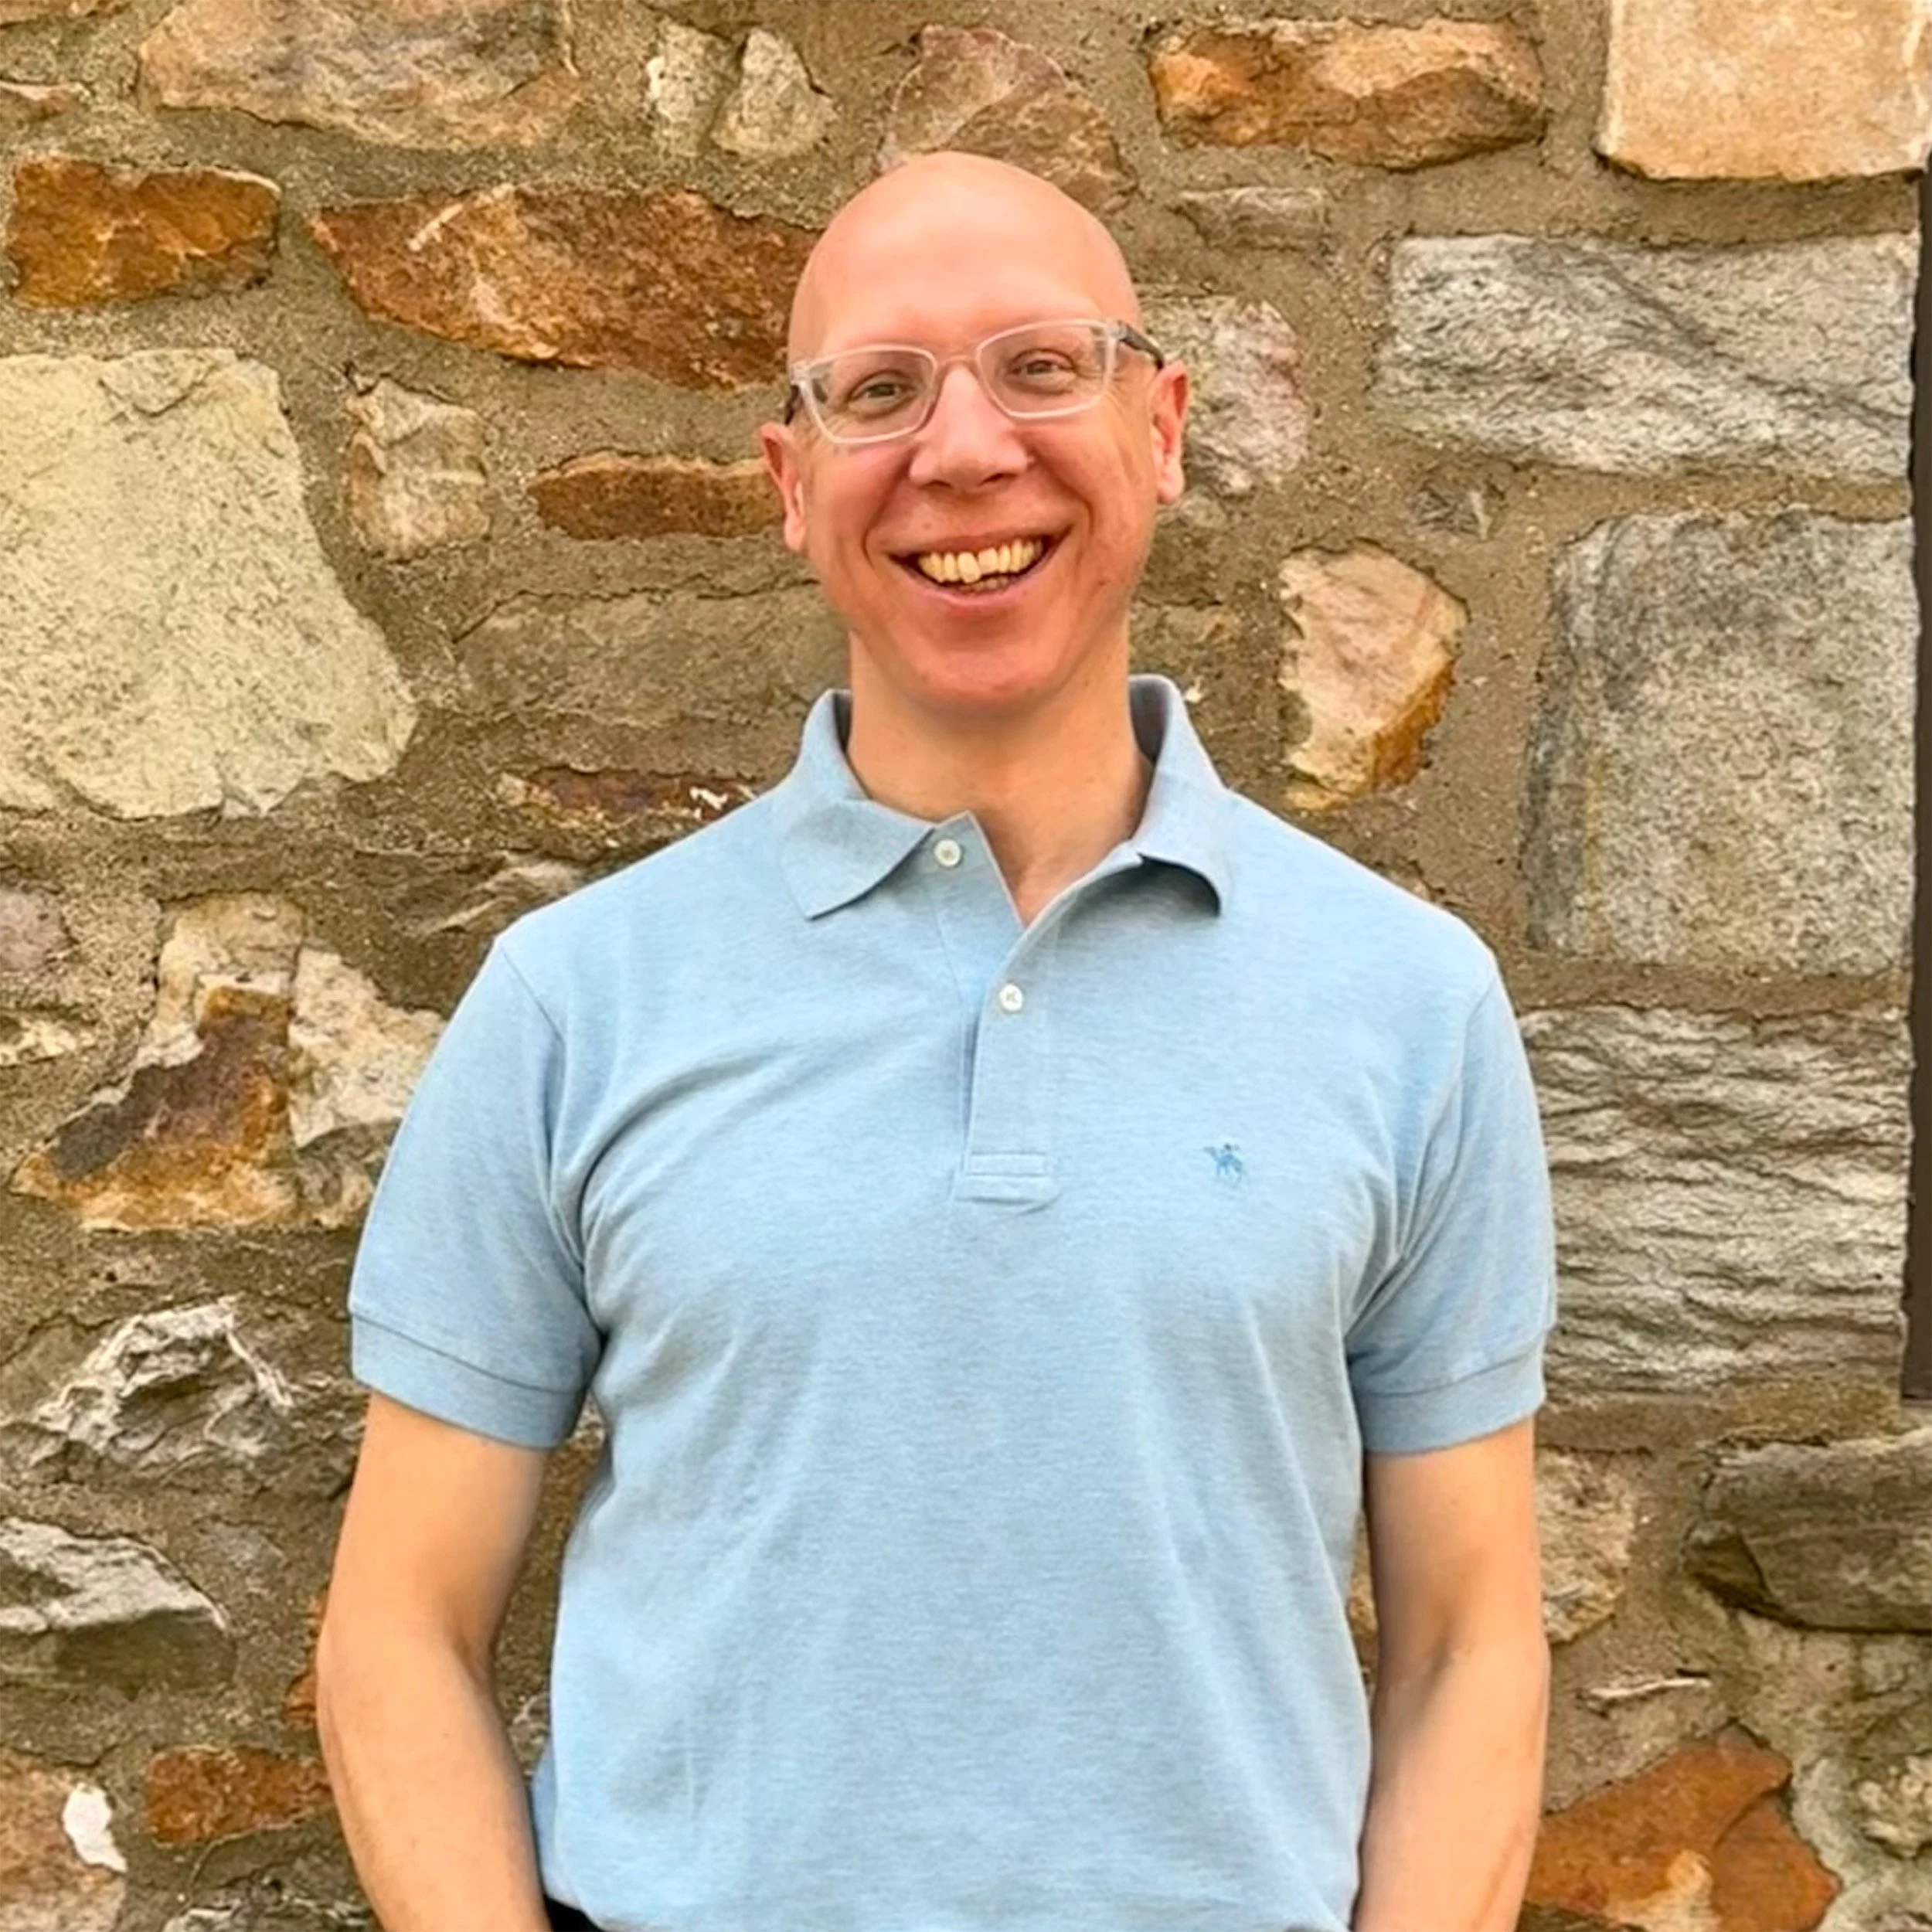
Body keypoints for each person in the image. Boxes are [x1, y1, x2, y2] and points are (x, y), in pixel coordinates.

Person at [315, 149, 1559, 1932]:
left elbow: (1465, 1640)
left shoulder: (1407, 1001)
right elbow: (396, 1630)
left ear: (1163, 427)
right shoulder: (574, 996)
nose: (962, 447)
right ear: (790, 483)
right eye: (878, 391)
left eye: (1040, 367)